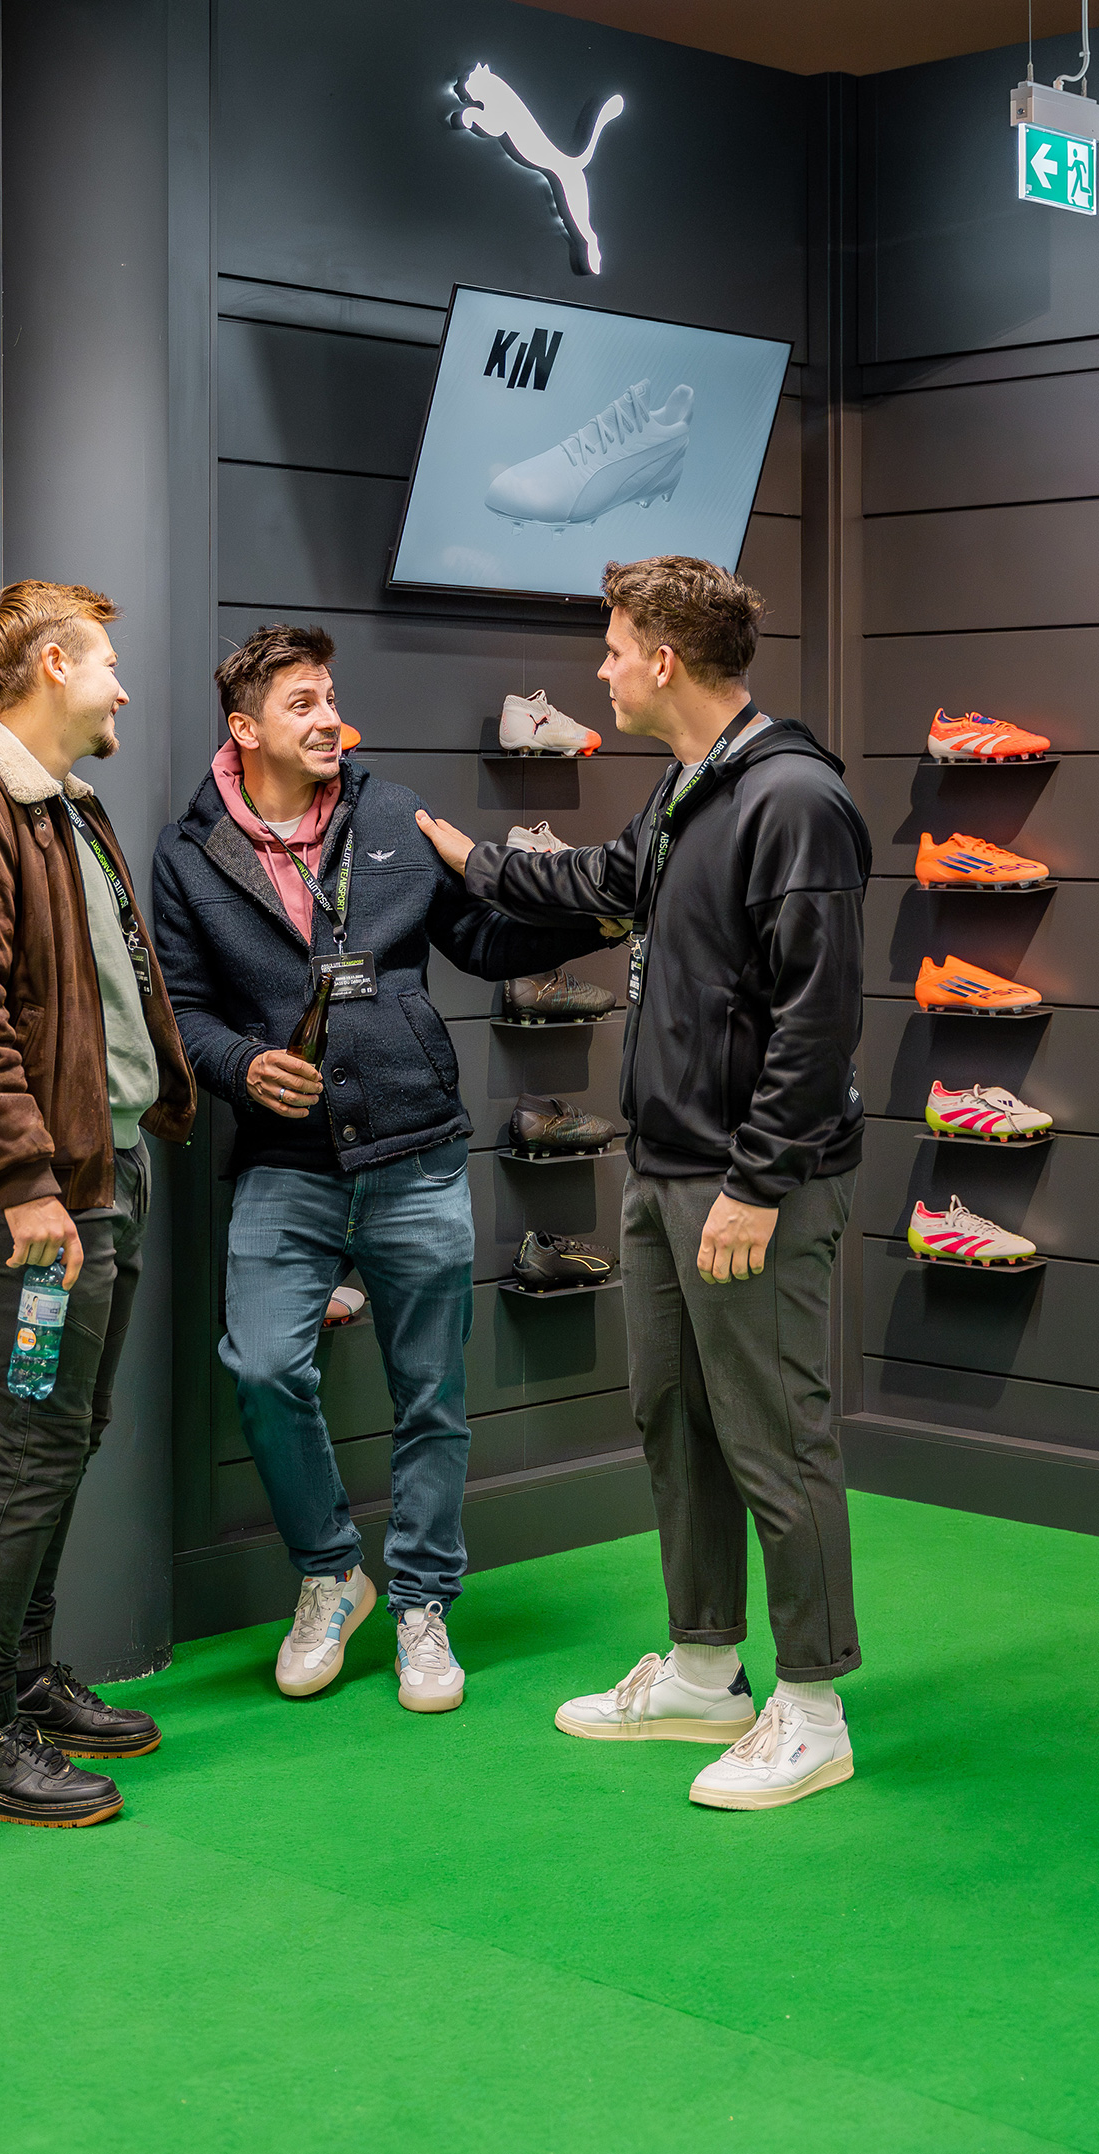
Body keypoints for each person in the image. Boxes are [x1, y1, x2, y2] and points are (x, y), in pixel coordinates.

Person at [416, 556, 872, 1811]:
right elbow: (604, 884)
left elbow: (818, 1021)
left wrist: (758, 1183)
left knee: (778, 1435)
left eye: (614, 648)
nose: (602, 669)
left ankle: (814, 1709)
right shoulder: (687, 787)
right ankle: (706, 1669)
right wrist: (474, 861)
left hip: (749, 1184)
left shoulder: (794, 798)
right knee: (676, 1419)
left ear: (664, 659)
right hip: (664, 1166)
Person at [151, 624, 600, 1712]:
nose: (327, 719)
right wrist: (240, 1066)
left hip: (417, 1152)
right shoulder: (187, 852)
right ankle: (328, 1576)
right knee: (264, 1367)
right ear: (244, 727)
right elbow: (184, 1010)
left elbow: (482, 943)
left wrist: (596, 912)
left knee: (431, 1397)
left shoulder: (392, 814)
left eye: (330, 697)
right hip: (285, 1162)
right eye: (301, 703)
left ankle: (423, 1605)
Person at [0, 580, 195, 1826]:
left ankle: (21, 1679)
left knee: (62, 1434)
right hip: (47, 1202)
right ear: (54, 666)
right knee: (32, 1443)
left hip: (101, 1175)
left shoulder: (62, 806)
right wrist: (25, 1187)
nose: (124, 687)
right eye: (106, 663)